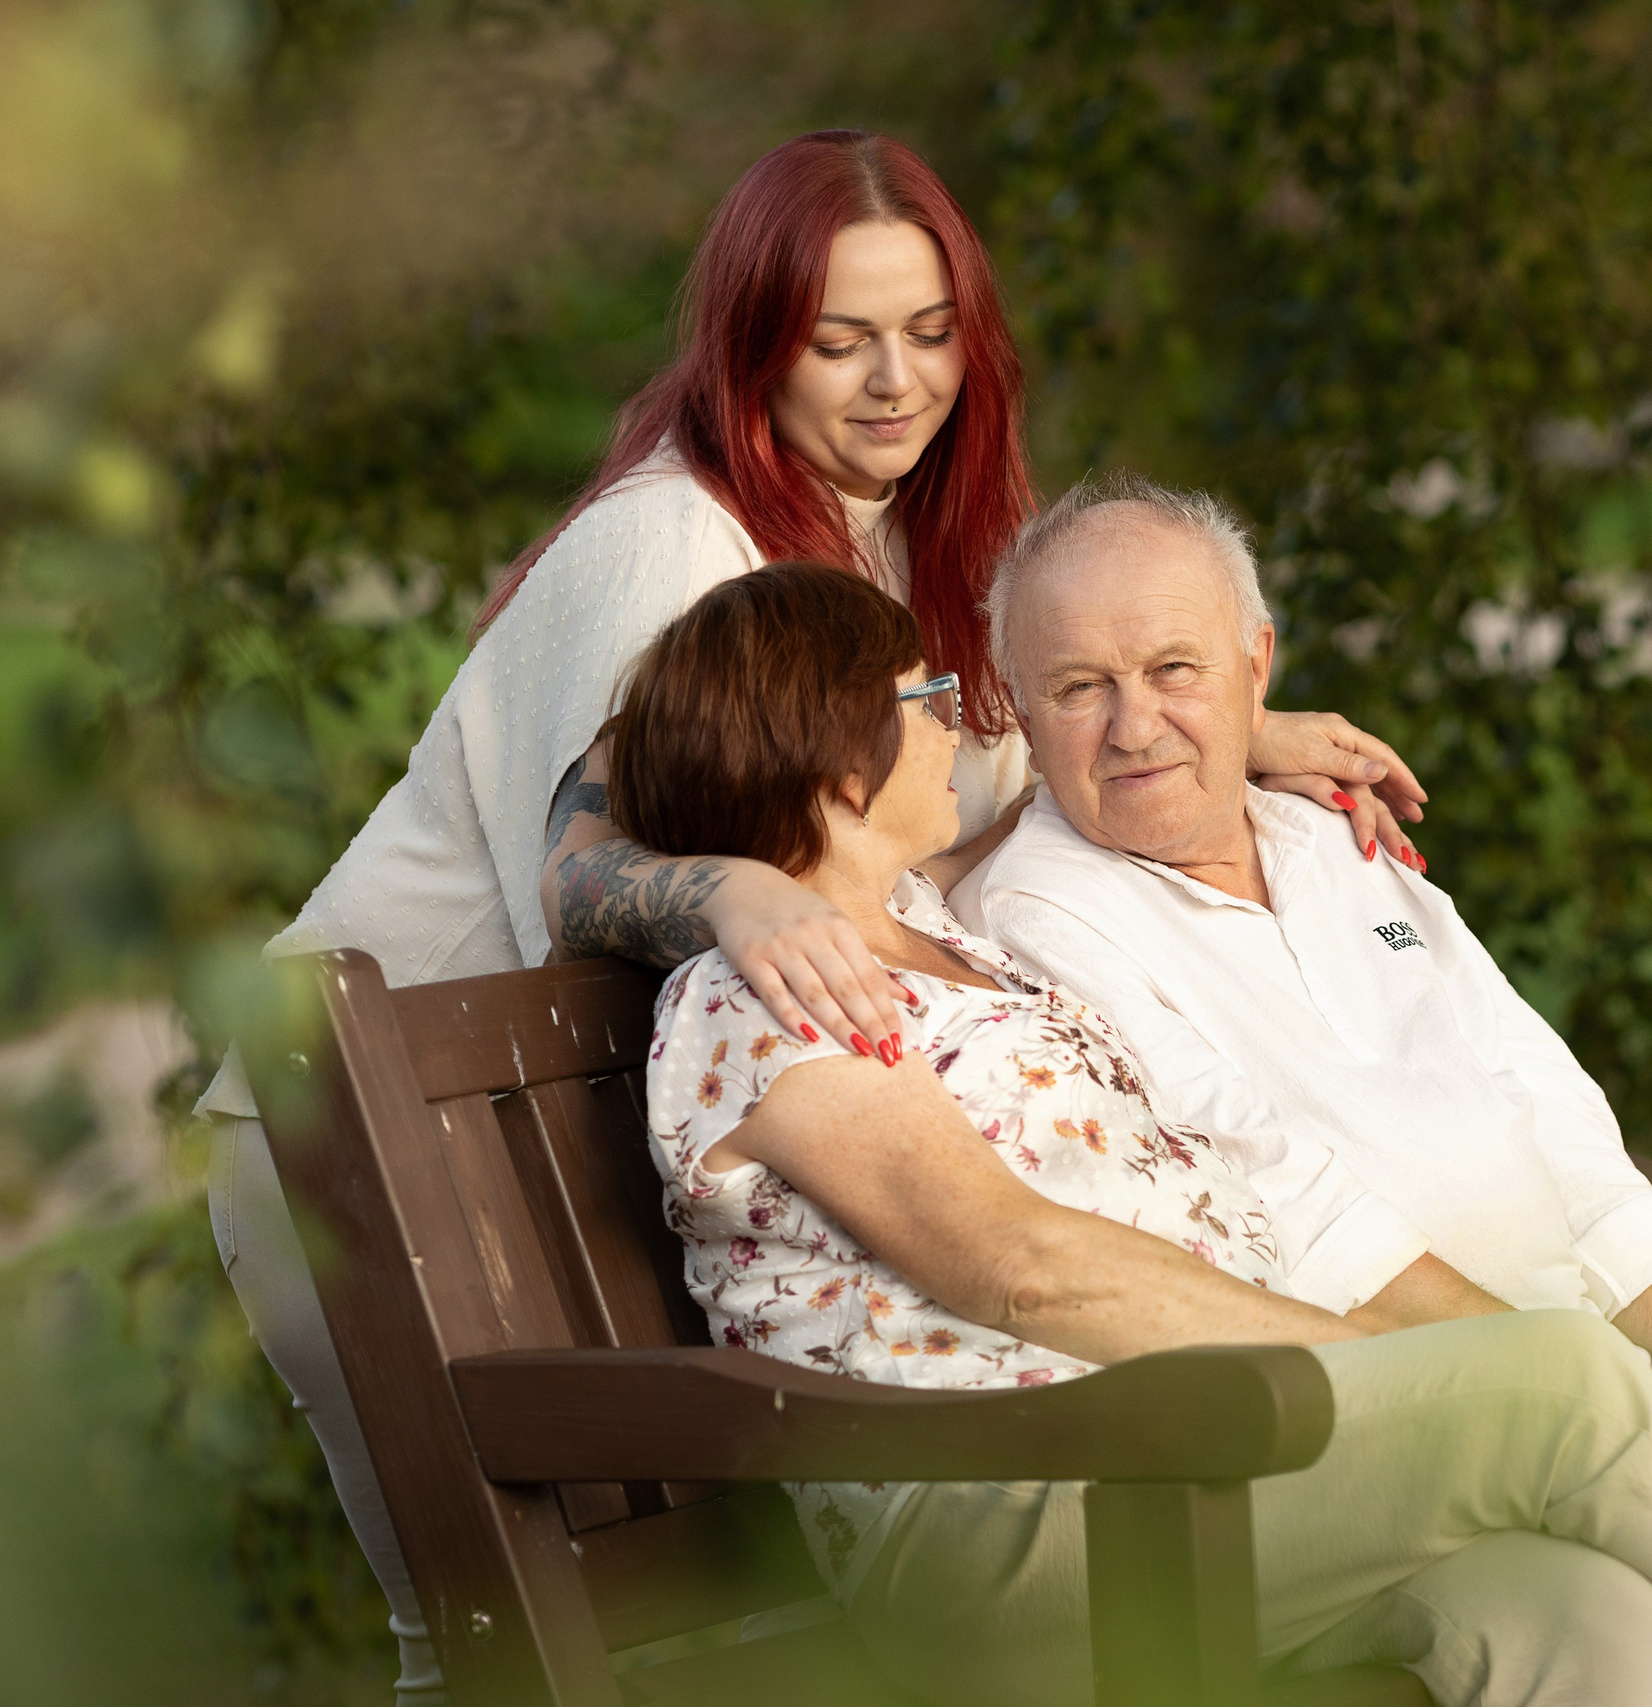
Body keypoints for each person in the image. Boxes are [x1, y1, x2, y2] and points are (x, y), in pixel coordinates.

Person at [196, 132, 1412, 1703]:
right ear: (752, 343)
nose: (894, 382)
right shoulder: (673, 537)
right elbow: (581, 863)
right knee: (487, 1644)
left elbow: (967, 774)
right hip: (370, 1141)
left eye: (927, 333)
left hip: (587, 1131)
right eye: (839, 341)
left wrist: (1225, 732)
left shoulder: (901, 532)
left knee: (705, 1629)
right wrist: (731, 882)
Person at [617, 560, 1652, 1707]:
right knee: (1560, 1378)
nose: (959, 722)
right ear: (841, 759)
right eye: (926, 698)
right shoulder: (759, 1000)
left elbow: (1048, 801)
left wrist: (1231, 734)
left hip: (1171, 1460)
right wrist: (1346, 1375)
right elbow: (1018, 1264)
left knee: (1567, 1610)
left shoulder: (921, 923)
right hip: (1006, 1507)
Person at [967, 474, 1652, 1707]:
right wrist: (1639, 1400)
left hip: (1607, 1355)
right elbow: (1295, 1214)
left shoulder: (1336, 843)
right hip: (1444, 1411)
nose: (1135, 726)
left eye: (1173, 668)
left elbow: (1562, 1130)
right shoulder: (1038, 912)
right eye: (1080, 688)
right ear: (1021, 707)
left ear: (1256, 664)